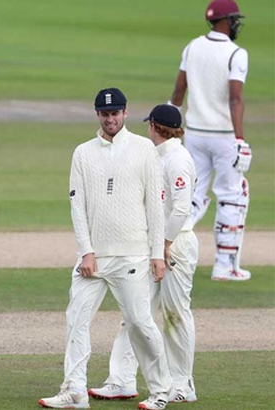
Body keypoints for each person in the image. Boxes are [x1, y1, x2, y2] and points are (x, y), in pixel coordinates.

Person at [38, 88, 172, 410]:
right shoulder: (83, 153)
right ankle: (74, 391)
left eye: (115, 113)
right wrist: (86, 251)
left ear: (125, 113)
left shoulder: (143, 149)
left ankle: (161, 390)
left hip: (132, 254)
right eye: (104, 114)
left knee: (139, 323)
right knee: (76, 319)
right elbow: (77, 206)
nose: (110, 119)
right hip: (94, 258)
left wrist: (157, 254)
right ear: (97, 114)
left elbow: (155, 206)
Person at [89, 105, 199, 405]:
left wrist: (164, 244)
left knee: (175, 314)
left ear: (154, 126)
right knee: (135, 313)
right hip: (152, 246)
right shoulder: (155, 155)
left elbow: (181, 209)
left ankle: (182, 384)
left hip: (175, 245)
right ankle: (122, 379)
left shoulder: (177, 159)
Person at [169, 0, 252, 281]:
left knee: (190, 196)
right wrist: (240, 139)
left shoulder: (192, 46)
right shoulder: (236, 53)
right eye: (235, 19)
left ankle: (170, 251)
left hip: (194, 134)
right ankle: (224, 266)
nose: (237, 24)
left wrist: (167, 125)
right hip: (224, 137)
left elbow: (178, 93)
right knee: (232, 195)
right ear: (226, 21)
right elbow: (235, 98)